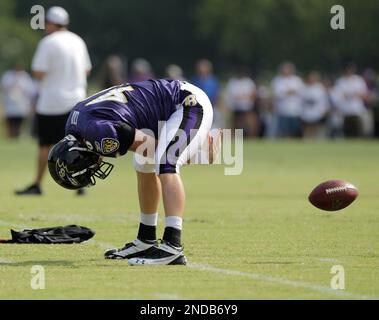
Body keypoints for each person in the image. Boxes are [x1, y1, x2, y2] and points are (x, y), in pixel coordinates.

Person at [47, 79, 219, 265]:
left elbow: (149, 146)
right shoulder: (74, 128)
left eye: (88, 170)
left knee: (166, 163)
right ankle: (146, 239)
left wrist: (196, 156)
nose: (96, 168)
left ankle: (172, 245)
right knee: (143, 163)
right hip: (163, 110)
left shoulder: (98, 134)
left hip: (185, 103)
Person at [15, 6, 92, 195]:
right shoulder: (78, 41)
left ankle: (38, 184)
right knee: (79, 144)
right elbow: (87, 70)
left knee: (44, 144)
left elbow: (38, 72)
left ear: (50, 23)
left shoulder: (48, 42)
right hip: (76, 100)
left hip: (51, 102)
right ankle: (81, 184)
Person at [1, 63, 36, 138]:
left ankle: (17, 135)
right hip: (10, 103)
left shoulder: (25, 76)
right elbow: (4, 87)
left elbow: (30, 89)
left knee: (19, 122)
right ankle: (11, 135)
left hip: (21, 104)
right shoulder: (8, 75)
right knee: (11, 122)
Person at [333, 63, 368, 138]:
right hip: (345, 111)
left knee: (357, 132)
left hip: (356, 110)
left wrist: (353, 94)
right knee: (347, 133)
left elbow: (364, 95)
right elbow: (337, 96)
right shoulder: (341, 81)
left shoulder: (359, 80)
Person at [271, 62, 304, 138]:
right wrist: (289, 92)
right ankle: (239, 145)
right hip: (282, 110)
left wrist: (287, 92)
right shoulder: (277, 80)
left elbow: (301, 92)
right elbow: (277, 94)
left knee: (294, 130)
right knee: (284, 130)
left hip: (295, 110)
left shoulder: (297, 80)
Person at [225, 66, 258, 137]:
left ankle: (251, 138)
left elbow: (253, 94)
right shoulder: (232, 82)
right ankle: (236, 139)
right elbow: (229, 95)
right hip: (236, 107)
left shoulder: (248, 82)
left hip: (247, 107)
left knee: (250, 124)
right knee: (235, 125)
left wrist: (245, 98)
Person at [300, 72, 329, 139]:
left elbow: (324, 100)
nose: (311, 79)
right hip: (306, 113)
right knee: (306, 129)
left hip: (317, 113)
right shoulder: (304, 88)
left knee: (315, 129)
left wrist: (324, 109)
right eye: (310, 78)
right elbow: (300, 101)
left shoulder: (320, 88)